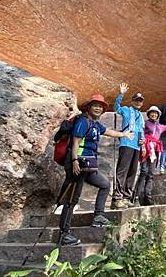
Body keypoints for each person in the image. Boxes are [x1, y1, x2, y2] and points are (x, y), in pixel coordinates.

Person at [57, 95, 134, 246]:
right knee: (72, 199)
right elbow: (75, 142)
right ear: (89, 107)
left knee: (105, 184)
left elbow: (109, 132)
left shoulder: (96, 125)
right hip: (78, 164)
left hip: (89, 165)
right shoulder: (83, 122)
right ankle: (64, 234)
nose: (98, 108)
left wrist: (124, 134)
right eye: (95, 105)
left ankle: (98, 216)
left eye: (100, 106)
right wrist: (74, 161)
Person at [134, 106, 166, 205]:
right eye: (152, 113)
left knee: (151, 173)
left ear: (158, 115)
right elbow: (140, 133)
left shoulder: (160, 126)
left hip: (155, 151)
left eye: (156, 113)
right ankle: (136, 196)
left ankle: (147, 197)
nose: (154, 114)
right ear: (149, 114)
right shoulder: (145, 123)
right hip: (146, 148)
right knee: (144, 171)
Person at [112, 83, 145, 209]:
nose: (138, 103)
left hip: (136, 146)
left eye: (140, 101)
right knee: (122, 170)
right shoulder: (126, 110)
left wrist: (143, 143)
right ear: (132, 101)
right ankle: (117, 197)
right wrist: (121, 94)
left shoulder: (141, 116)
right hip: (126, 143)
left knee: (132, 171)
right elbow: (116, 107)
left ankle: (126, 197)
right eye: (136, 100)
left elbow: (141, 130)